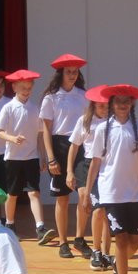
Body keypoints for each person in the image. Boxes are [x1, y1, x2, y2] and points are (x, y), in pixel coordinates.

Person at [84, 85, 138, 274]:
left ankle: (118, 265)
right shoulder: (103, 129)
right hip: (110, 192)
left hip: (133, 192)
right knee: (121, 239)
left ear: (132, 104)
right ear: (112, 104)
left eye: (126, 101)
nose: (122, 104)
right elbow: (95, 162)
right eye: (118, 101)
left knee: (135, 240)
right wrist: (87, 193)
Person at [0, 69, 54, 243]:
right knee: (12, 194)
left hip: (31, 157)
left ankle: (40, 227)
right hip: (13, 158)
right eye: (23, 87)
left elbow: (40, 134)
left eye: (29, 87)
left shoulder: (35, 108)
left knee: (34, 192)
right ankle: (10, 224)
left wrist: (42, 156)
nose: (26, 91)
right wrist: (12, 138)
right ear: (14, 87)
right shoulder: (8, 107)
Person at [40, 54, 89, 259]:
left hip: (81, 145)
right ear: (60, 74)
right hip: (59, 145)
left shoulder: (84, 95)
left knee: (84, 194)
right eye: (68, 72)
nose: (72, 75)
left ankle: (79, 238)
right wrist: (50, 157)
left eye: (75, 72)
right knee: (62, 197)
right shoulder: (51, 97)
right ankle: (63, 241)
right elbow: (46, 129)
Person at [67, 86, 112, 271]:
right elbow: (74, 146)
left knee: (106, 212)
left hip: (107, 167)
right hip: (88, 165)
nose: (104, 109)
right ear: (93, 106)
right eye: (101, 106)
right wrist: (69, 171)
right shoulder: (84, 121)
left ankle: (107, 252)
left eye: (107, 106)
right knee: (94, 207)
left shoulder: (114, 121)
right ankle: (94, 248)